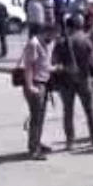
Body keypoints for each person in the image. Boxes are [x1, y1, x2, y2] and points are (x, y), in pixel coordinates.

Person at [52, 16, 93, 150]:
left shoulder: (61, 42)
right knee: (89, 110)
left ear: (68, 27)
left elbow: (54, 62)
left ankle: (70, 140)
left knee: (68, 111)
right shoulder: (86, 41)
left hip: (65, 81)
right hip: (84, 78)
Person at [22, 24, 56, 160]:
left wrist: (54, 68)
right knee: (36, 118)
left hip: (44, 82)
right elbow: (28, 66)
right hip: (35, 83)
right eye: (52, 35)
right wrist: (30, 85)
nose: (53, 39)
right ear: (46, 32)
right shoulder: (34, 44)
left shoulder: (49, 43)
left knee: (40, 117)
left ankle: (37, 143)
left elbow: (45, 64)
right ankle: (33, 149)